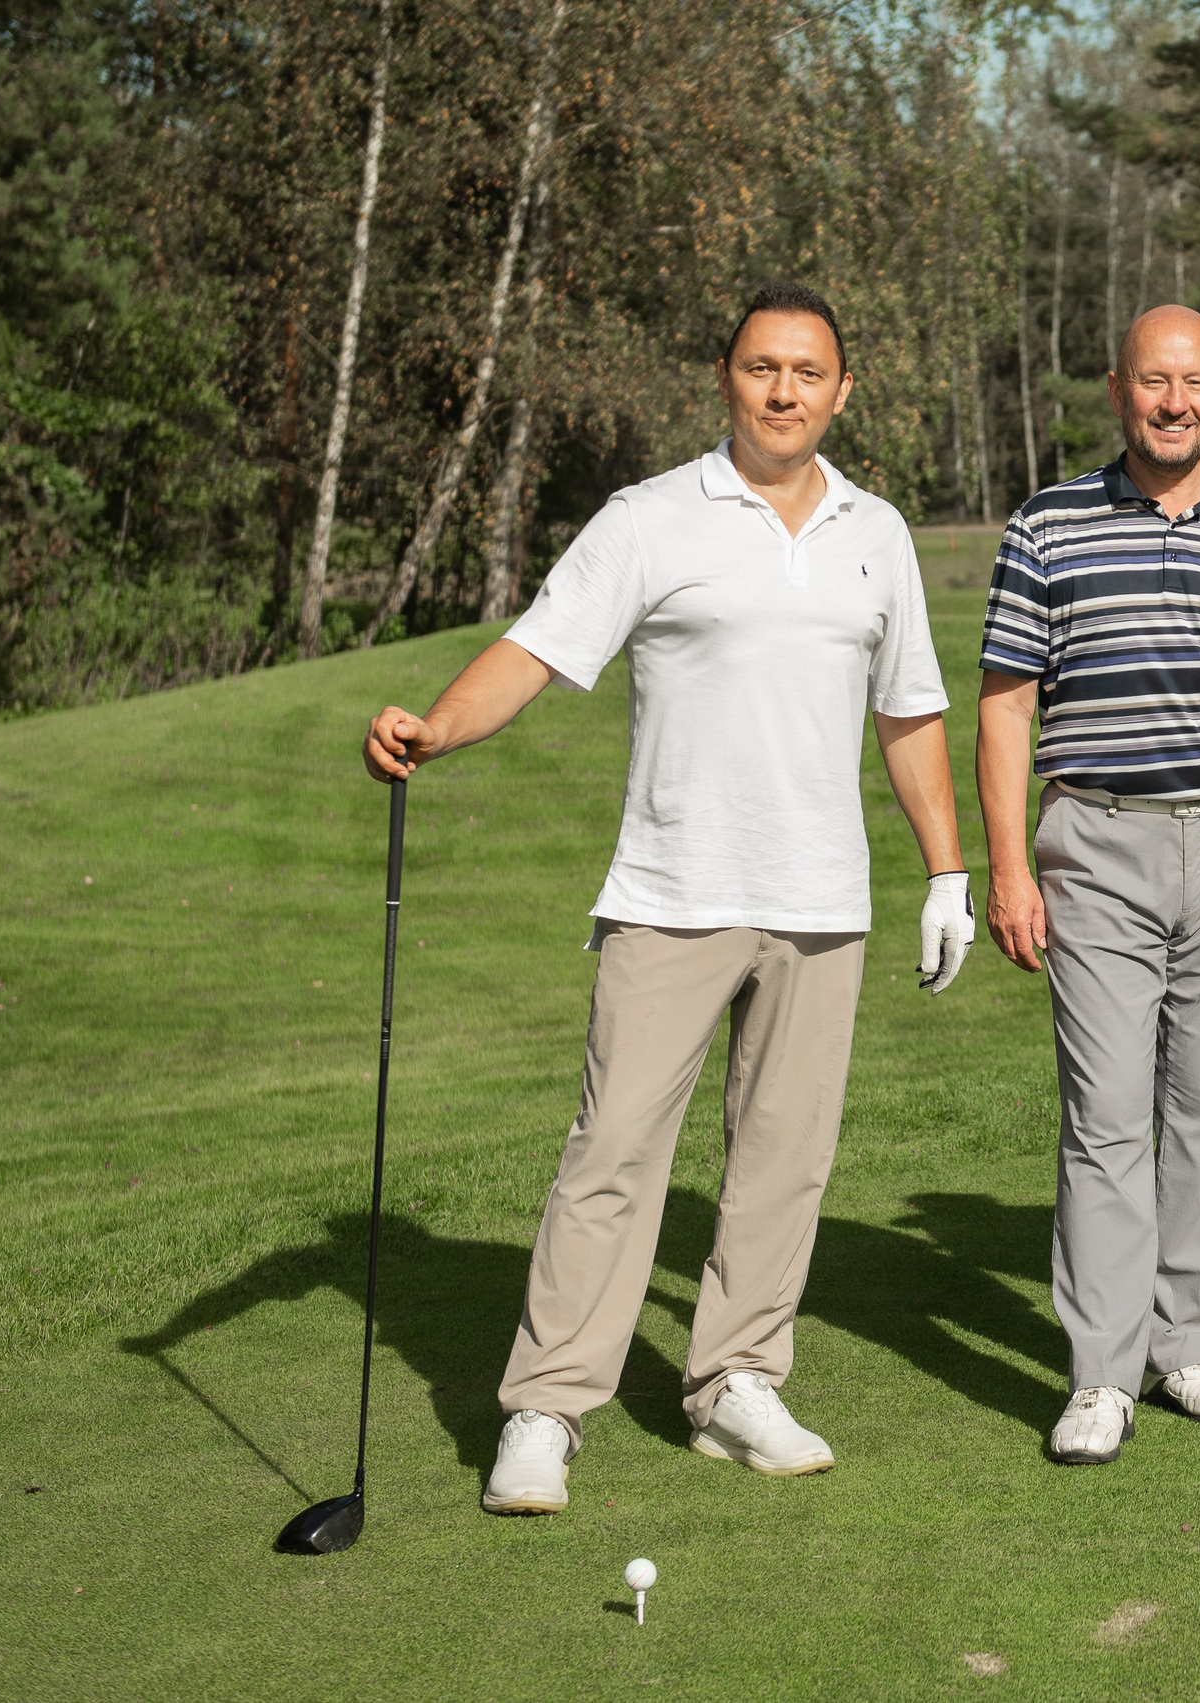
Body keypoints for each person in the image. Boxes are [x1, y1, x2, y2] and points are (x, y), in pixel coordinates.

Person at [361, 282, 973, 1514]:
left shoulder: (878, 531)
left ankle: (735, 1378)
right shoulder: (648, 518)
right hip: (671, 889)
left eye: (807, 371)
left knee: (783, 1158)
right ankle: (545, 1403)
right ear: (726, 377)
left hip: (820, 899)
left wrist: (947, 871)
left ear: (841, 390)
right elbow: (538, 648)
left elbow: (908, 710)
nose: (784, 390)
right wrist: (437, 727)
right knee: (613, 1153)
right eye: (761, 367)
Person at [977, 304, 1200, 1465]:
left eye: (1192, 382)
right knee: (1107, 1117)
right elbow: (1004, 704)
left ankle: (1182, 1344)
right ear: (1118, 390)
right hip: (1095, 841)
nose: (1172, 401)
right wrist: (1005, 866)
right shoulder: (1047, 524)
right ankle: (1100, 1370)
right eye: (1152, 381)